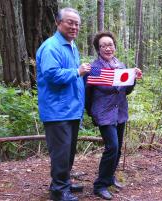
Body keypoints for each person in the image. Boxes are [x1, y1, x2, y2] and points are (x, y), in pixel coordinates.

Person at [36, 7, 91, 201]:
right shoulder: (51, 47)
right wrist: (77, 71)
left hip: (71, 109)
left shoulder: (71, 45)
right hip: (57, 110)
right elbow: (51, 75)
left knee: (67, 151)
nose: (74, 26)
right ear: (58, 23)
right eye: (70, 22)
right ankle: (59, 192)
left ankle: (63, 182)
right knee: (60, 153)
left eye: (77, 23)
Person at [84, 31, 142, 200]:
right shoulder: (94, 69)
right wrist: (91, 113)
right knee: (112, 147)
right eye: (103, 46)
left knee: (117, 149)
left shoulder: (121, 66)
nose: (107, 48)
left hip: (120, 112)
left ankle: (109, 177)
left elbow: (126, 91)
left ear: (114, 47)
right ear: (98, 49)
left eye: (110, 45)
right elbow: (88, 94)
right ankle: (100, 185)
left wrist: (134, 78)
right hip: (103, 113)